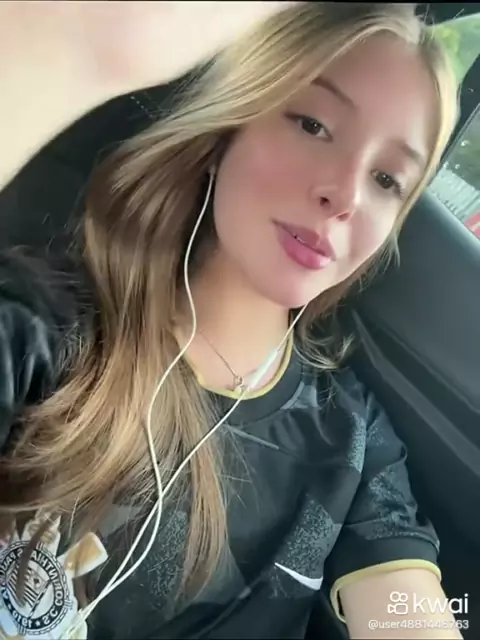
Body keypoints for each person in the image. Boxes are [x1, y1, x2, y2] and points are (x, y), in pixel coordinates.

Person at [0, 2, 464, 639]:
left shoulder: (353, 441)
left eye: (387, 179)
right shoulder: (43, 328)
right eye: (313, 124)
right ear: (229, 127)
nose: (347, 195)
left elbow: (408, 614)